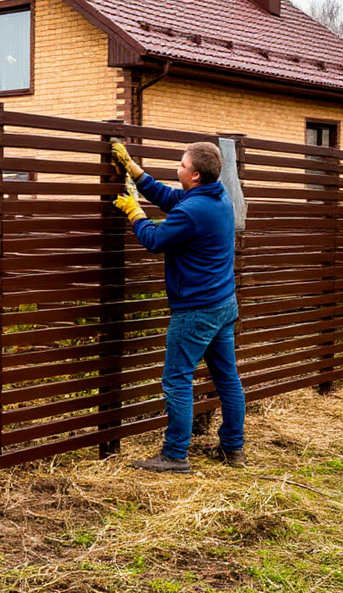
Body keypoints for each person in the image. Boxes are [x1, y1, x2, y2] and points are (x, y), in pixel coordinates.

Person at [111, 141, 246, 473]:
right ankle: (233, 448)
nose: (178, 167)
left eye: (181, 165)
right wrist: (136, 172)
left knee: (176, 379)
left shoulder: (195, 210)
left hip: (197, 310)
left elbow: (155, 240)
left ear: (195, 175)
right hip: (223, 304)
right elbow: (173, 199)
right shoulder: (217, 196)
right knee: (227, 378)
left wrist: (134, 212)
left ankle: (174, 455)